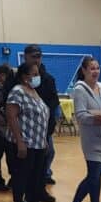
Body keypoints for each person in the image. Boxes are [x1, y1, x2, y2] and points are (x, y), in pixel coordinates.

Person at [64, 57, 101, 202]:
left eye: (97, 68)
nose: (95, 71)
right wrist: (98, 119)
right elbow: (80, 116)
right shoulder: (79, 90)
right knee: (93, 176)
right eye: (92, 68)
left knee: (98, 175)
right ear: (84, 70)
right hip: (91, 140)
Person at [4, 62, 51, 202]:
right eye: (35, 73)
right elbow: (11, 116)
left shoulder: (34, 92)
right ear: (25, 77)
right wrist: (20, 141)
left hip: (38, 143)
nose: (38, 77)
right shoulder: (17, 92)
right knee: (21, 175)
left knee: (35, 175)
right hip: (24, 142)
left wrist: (44, 141)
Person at [23, 46, 60, 189]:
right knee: (26, 158)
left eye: (39, 56)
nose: (36, 59)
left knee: (48, 152)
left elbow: (53, 102)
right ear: (26, 57)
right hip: (25, 127)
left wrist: (51, 125)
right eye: (33, 56)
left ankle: (43, 178)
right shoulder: (18, 79)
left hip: (44, 127)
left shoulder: (48, 79)